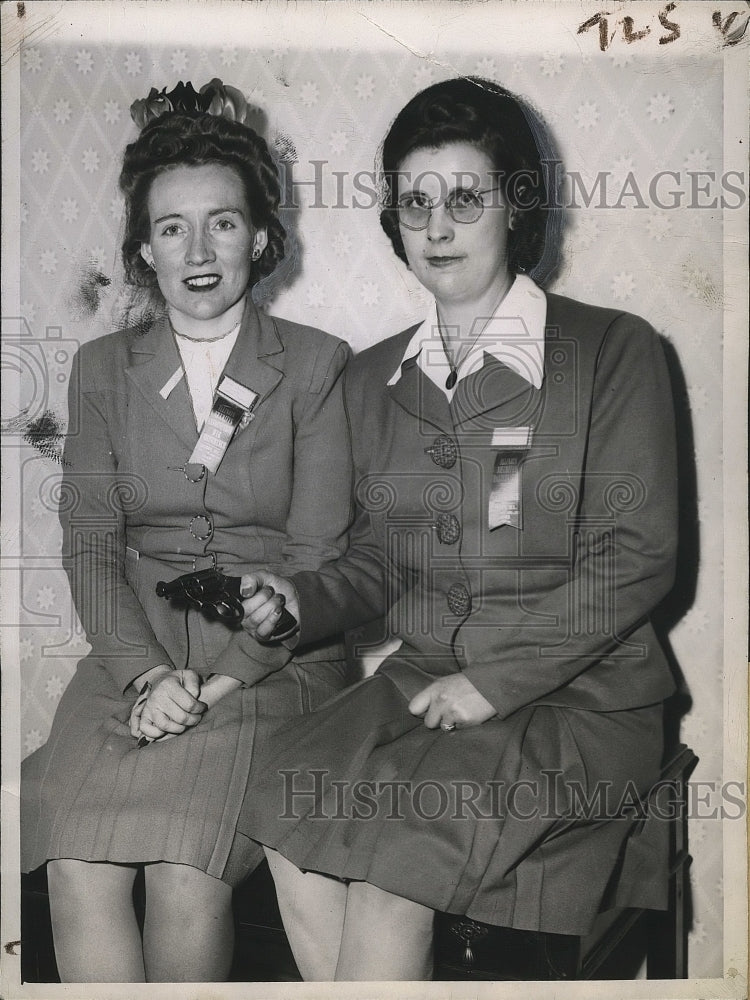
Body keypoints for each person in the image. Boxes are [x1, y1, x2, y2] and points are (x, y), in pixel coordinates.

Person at [237, 76, 679, 981]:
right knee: (283, 794)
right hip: (425, 679)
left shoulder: (613, 351)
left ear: (516, 208)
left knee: (401, 860)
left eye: (465, 199)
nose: (437, 227)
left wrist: (497, 679)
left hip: (582, 697)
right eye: (415, 203)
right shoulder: (371, 380)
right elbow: (372, 563)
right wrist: (298, 603)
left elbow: (634, 557)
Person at [20, 78, 359, 983]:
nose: (199, 249)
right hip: (137, 651)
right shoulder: (100, 369)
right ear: (143, 249)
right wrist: (144, 674)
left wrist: (212, 686)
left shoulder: (319, 367)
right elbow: (90, 544)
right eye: (172, 227)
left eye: (221, 222)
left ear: (259, 236)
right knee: (76, 864)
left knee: (181, 864)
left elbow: (317, 561)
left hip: (269, 659)